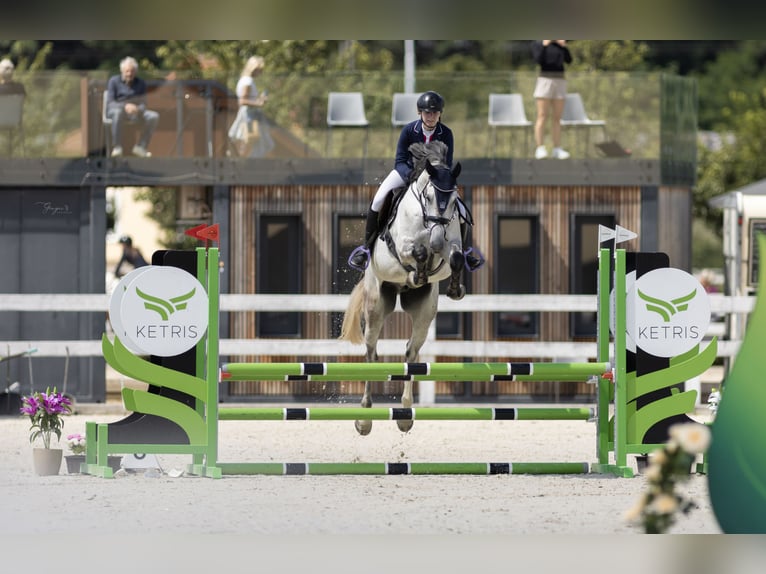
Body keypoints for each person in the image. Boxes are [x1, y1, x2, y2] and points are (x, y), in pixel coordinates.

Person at [347, 90, 484, 272]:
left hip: (434, 177)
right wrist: (413, 174)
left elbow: (446, 163)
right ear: (420, 112)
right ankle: (366, 248)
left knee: (459, 208)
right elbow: (400, 160)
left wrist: (435, 177)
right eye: (427, 112)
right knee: (379, 199)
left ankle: (465, 251)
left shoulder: (446, 133)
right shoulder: (409, 130)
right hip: (406, 172)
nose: (431, 116)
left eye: (435, 113)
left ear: (440, 114)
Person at [106, 56, 159, 158]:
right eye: (127, 71)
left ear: (135, 71)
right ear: (122, 71)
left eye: (132, 71)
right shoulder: (113, 81)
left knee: (154, 116)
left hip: (136, 112)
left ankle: (141, 147)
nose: (129, 74)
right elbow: (110, 102)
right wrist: (125, 106)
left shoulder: (141, 83)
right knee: (117, 112)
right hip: (117, 111)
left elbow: (144, 103)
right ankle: (117, 147)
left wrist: (137, 109)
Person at [532, 40, 572, 160]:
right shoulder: (539, 43)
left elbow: (569, 60)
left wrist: (563, 46)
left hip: (560, 80)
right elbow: (537, 60)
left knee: (557, 118)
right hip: (545, 80)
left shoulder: (559, 45)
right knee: (542, 115)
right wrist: (545, 45)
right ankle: (540, 147)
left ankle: (557, 148)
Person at [229, 55, 274, 158]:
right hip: (249, 117)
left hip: (249, 116)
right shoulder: (247, 81)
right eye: (259, 70)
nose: (260, 72)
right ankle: (241, 168)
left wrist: (258, 99)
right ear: (253, 68)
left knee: (249, 144)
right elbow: (243, 101)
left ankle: (242, 167)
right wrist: (259, 103)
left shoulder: (245, 80)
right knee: (249, 145)